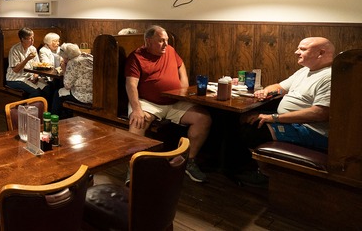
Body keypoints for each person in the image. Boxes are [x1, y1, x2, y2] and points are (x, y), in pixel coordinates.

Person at [231, 37, 335, 186]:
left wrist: (274, 118)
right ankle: (246, 166)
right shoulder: (305, 71)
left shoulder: (329, 77)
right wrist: (266, 91)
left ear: (321, 53)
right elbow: (280, 86)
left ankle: (265, 175)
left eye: (303, 49)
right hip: (292, 122)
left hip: (311, 129)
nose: (296, 52)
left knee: (254, 129)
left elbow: (320, 113)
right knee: (243, 117)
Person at [125, 25, 211, 183]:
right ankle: (133, 170)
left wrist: (184, 88)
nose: (165, 44)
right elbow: (131, 85)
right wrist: (136, 109)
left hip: (175, 102)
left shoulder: (170, 50)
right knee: (137, 123)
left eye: (166, 40)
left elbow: (181, 65)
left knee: (203, 118)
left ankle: (187, 161)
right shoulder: (136, 57)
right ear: (148, 41)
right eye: (161, 41)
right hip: (148, 102)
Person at [5, 28, 53, 104]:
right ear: (22, 39)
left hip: (30, 77)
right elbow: (16, 70)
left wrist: (36, 76)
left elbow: (37, 66)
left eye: (33, 37)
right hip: (15, 78)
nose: (32, 40)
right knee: (36, 91)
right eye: (30, 39)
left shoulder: (32, 49)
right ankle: (26, 110)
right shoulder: (14, 50)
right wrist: (27, 59)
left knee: (48, 89)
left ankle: (44, 111)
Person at [53, 43, 93, 117]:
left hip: (83, 97)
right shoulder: (89, 57)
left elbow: (67, 85)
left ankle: (55, 119)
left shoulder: (73, 62)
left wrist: (64, 70)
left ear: (67, 57)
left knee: (57, 93)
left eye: (63, 57)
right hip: (94, 95)